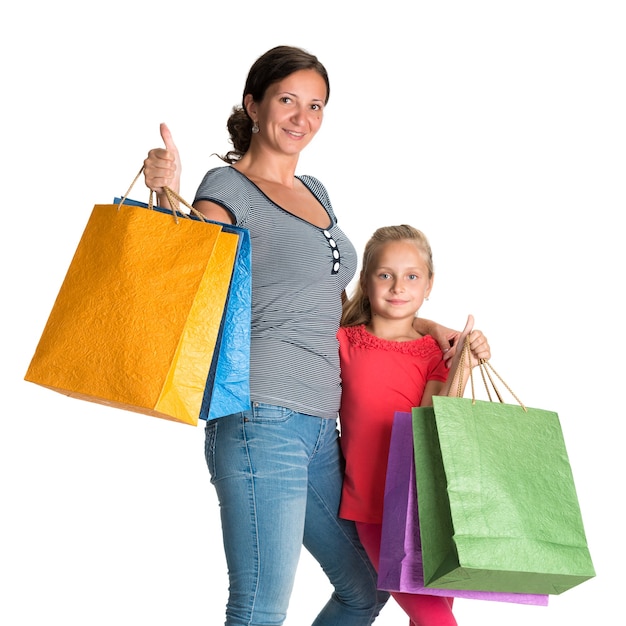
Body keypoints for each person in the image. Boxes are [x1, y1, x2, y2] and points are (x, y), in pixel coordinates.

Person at [143, 46, 460, 626]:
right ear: (253, 104)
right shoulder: (226, 188)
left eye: (315, 105)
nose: (301, 117)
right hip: (261, 417)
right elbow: (190, 263)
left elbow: (334, 305)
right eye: (287, 99)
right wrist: (166, 192)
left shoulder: (318, 193)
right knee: (260, 608)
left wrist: (429, 327)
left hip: (321, 430)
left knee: (366, 589)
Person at [338, 225, 491, 626]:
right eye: (385, 275)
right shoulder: (343, 342)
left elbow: (435, 422)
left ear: (429, 285)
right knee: (437, 621)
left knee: (428, 620)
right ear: (366, 281)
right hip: (373, 510)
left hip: (429, 512)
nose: (397, 287)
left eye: (411, 276)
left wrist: (463, 366)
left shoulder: (432, 355)